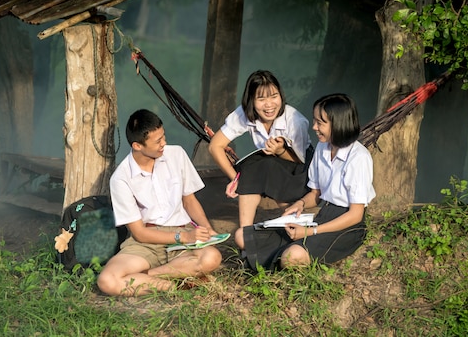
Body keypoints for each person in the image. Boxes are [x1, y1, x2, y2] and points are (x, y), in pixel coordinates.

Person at [97, 109, 222, 296]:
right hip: (146, 241)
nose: (164, 143)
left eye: (163, 137)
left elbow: (189, 200)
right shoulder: (121, 178)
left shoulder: (176, 154)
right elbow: (139, 233)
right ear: (137, 146)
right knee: (107, 281)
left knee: (212, 257)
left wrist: (207, 229)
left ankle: (149, 276)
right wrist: (181, 238)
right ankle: (175, 285)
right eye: (157, 141)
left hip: (183, 232)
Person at [262, 93, 376, 268]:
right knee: (245, 237)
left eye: (320, 122)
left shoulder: (358, 157)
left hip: (347, 226)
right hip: (323, 216)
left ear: (338, 123)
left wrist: (311, 231)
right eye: (314, 121)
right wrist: (300, 203)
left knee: (291, 256)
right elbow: (316, 193)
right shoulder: (323, 147)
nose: (314, 127)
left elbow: (355, 215)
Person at [208, 70, 312, 250]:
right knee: (252, 169)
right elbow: (215, 146)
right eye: (261, 99)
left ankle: (297, 226)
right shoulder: (244, 114)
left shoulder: (295, 121)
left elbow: (300, 161)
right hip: (269, 164)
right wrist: (235, 179)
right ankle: (246, 233)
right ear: (251, 101)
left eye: (274, 96)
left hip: (300, 170)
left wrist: (281, 150)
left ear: (281, 96)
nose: (269, 105)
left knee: (260, 166)